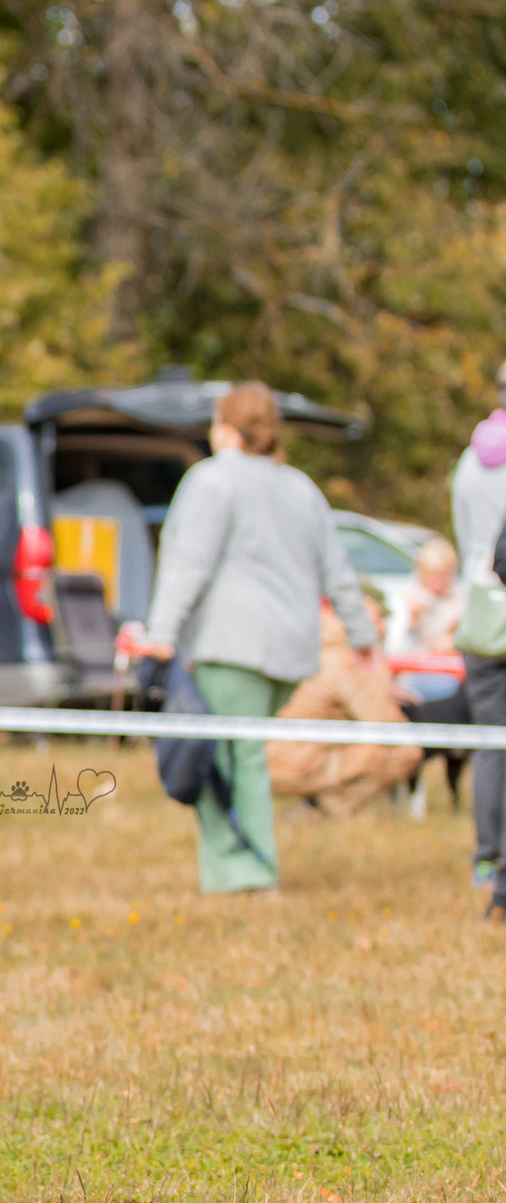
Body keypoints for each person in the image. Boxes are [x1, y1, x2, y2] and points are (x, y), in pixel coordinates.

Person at [140, 381, 375, 894]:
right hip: (289, 651)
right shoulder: (300, 487)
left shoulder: (212, 480)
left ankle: (246, 871)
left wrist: (161, 634)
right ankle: (244, 866)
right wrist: (362, 636)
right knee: (241, 753)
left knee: (230, 757)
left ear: (223, 427)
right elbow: (337, 571)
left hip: (233, 647)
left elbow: (187, 566)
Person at [270, 598, 422, 817]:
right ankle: (326, 809)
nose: (383, 626)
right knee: (405, 750)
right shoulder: (347, 658)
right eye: (378, 619)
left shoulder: (310, 642)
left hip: (267, 753)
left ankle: (315, 806)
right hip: (302, 762)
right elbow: (381, 719)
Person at [453, 372, 506, 908]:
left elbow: (466, 536)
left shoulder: (472, 461)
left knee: (492, 743)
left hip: (482, 605)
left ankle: (487, 856)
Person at [384, 535, 464, 705]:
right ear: (422, 572)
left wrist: (455, 641)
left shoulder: (461, 599)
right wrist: (410, 619)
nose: (440, 582)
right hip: (411, 671)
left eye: (445, 574)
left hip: (448, 671)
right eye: (435, 575)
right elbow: (393, 648)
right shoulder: (403, 598)